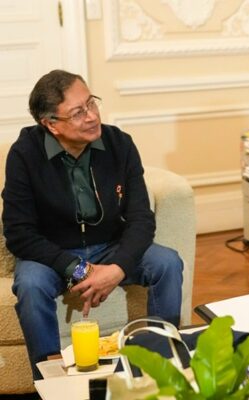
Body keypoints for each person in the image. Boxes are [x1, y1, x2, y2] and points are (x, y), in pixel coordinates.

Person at [2, 70, 184, 381]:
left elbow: (141, 217)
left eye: (91, 103)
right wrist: (78, 269)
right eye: (78, 112)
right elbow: (19, 233)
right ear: (51, 124)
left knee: (167, 263)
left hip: (110, 246)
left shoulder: (119, 143)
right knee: (31, 285)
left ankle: (163, 369)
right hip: (52, 255)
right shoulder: (25, 154)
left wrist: (117, 268)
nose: (92, 116)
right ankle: (52, 384)